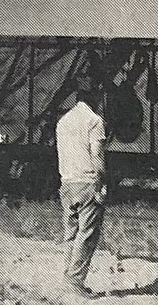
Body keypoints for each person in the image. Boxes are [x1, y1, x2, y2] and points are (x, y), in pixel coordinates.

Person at [56, 79, 107, 299]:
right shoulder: (94, 121)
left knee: (71, 233)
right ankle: (75, 280)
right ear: (94, 97)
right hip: (87, 183)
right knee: (87, 234)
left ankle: (67, 275)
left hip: (66, 182)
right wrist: (101, 182)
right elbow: (96, 154)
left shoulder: (63, 121)